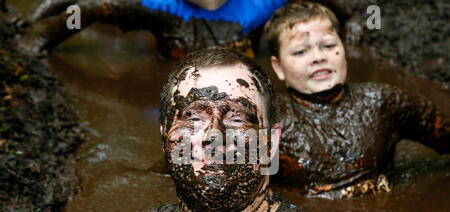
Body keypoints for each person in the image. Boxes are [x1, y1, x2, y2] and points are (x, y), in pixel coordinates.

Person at [0, 48, 363, 212]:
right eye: (193, 118)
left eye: (237, 118)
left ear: (270, 143)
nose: (214, 137)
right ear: (165, 138)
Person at [264, 1, 450, 199]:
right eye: (301, 51)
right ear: (278, 67)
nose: (318, 57)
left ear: (344, 48)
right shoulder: (268, 119)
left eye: (328, 46)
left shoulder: (382, 102)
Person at [20, 0, 354, 59]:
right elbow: (88, 9)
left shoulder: (260, 3)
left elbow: (334, 6)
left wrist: (352, 25)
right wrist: (39, 33)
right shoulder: (155, 6)